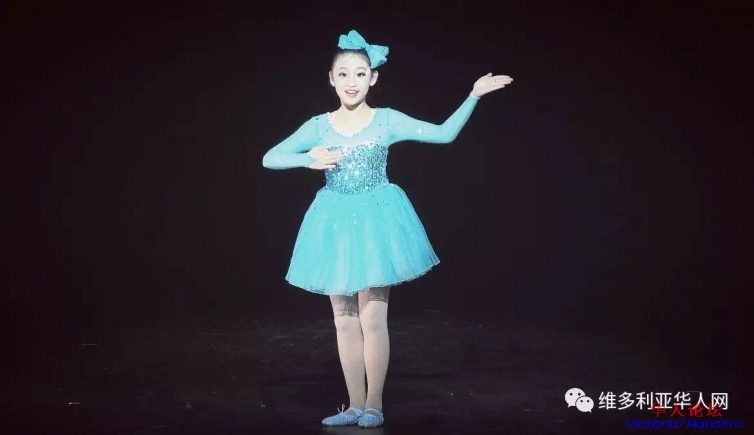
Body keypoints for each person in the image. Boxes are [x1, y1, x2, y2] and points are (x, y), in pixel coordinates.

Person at [262, 30, 512, 428]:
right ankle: (354, 405)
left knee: (373, 317)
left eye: (360, 74)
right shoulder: (319, 126)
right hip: (334, 223)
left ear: (373, 78)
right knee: (344, 318)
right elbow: (270, 157)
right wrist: (307, 159)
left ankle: (374, 405)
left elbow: (443, 134)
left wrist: (473, 95)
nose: (352, 81)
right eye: (344, 74)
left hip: (377, 221)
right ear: (331, 79)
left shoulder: (387, 120)